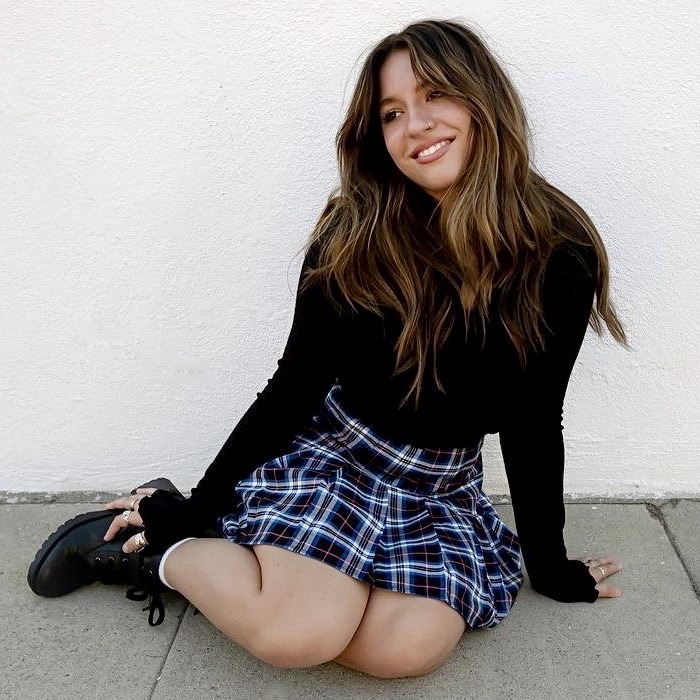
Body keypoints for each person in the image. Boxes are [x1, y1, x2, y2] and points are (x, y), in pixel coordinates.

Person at [28, 19, 626, 679]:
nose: (416, 125)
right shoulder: (356, 236)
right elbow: (294, 386)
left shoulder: (560, 252)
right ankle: (153, 554)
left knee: (403, 653)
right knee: (300, 635)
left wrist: (551, 567)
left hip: (437, 488)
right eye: (391, 113)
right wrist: (194, 512)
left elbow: (534, 420)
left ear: (484, 99)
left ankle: (269, 574)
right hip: (337, 459)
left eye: (435, 95)